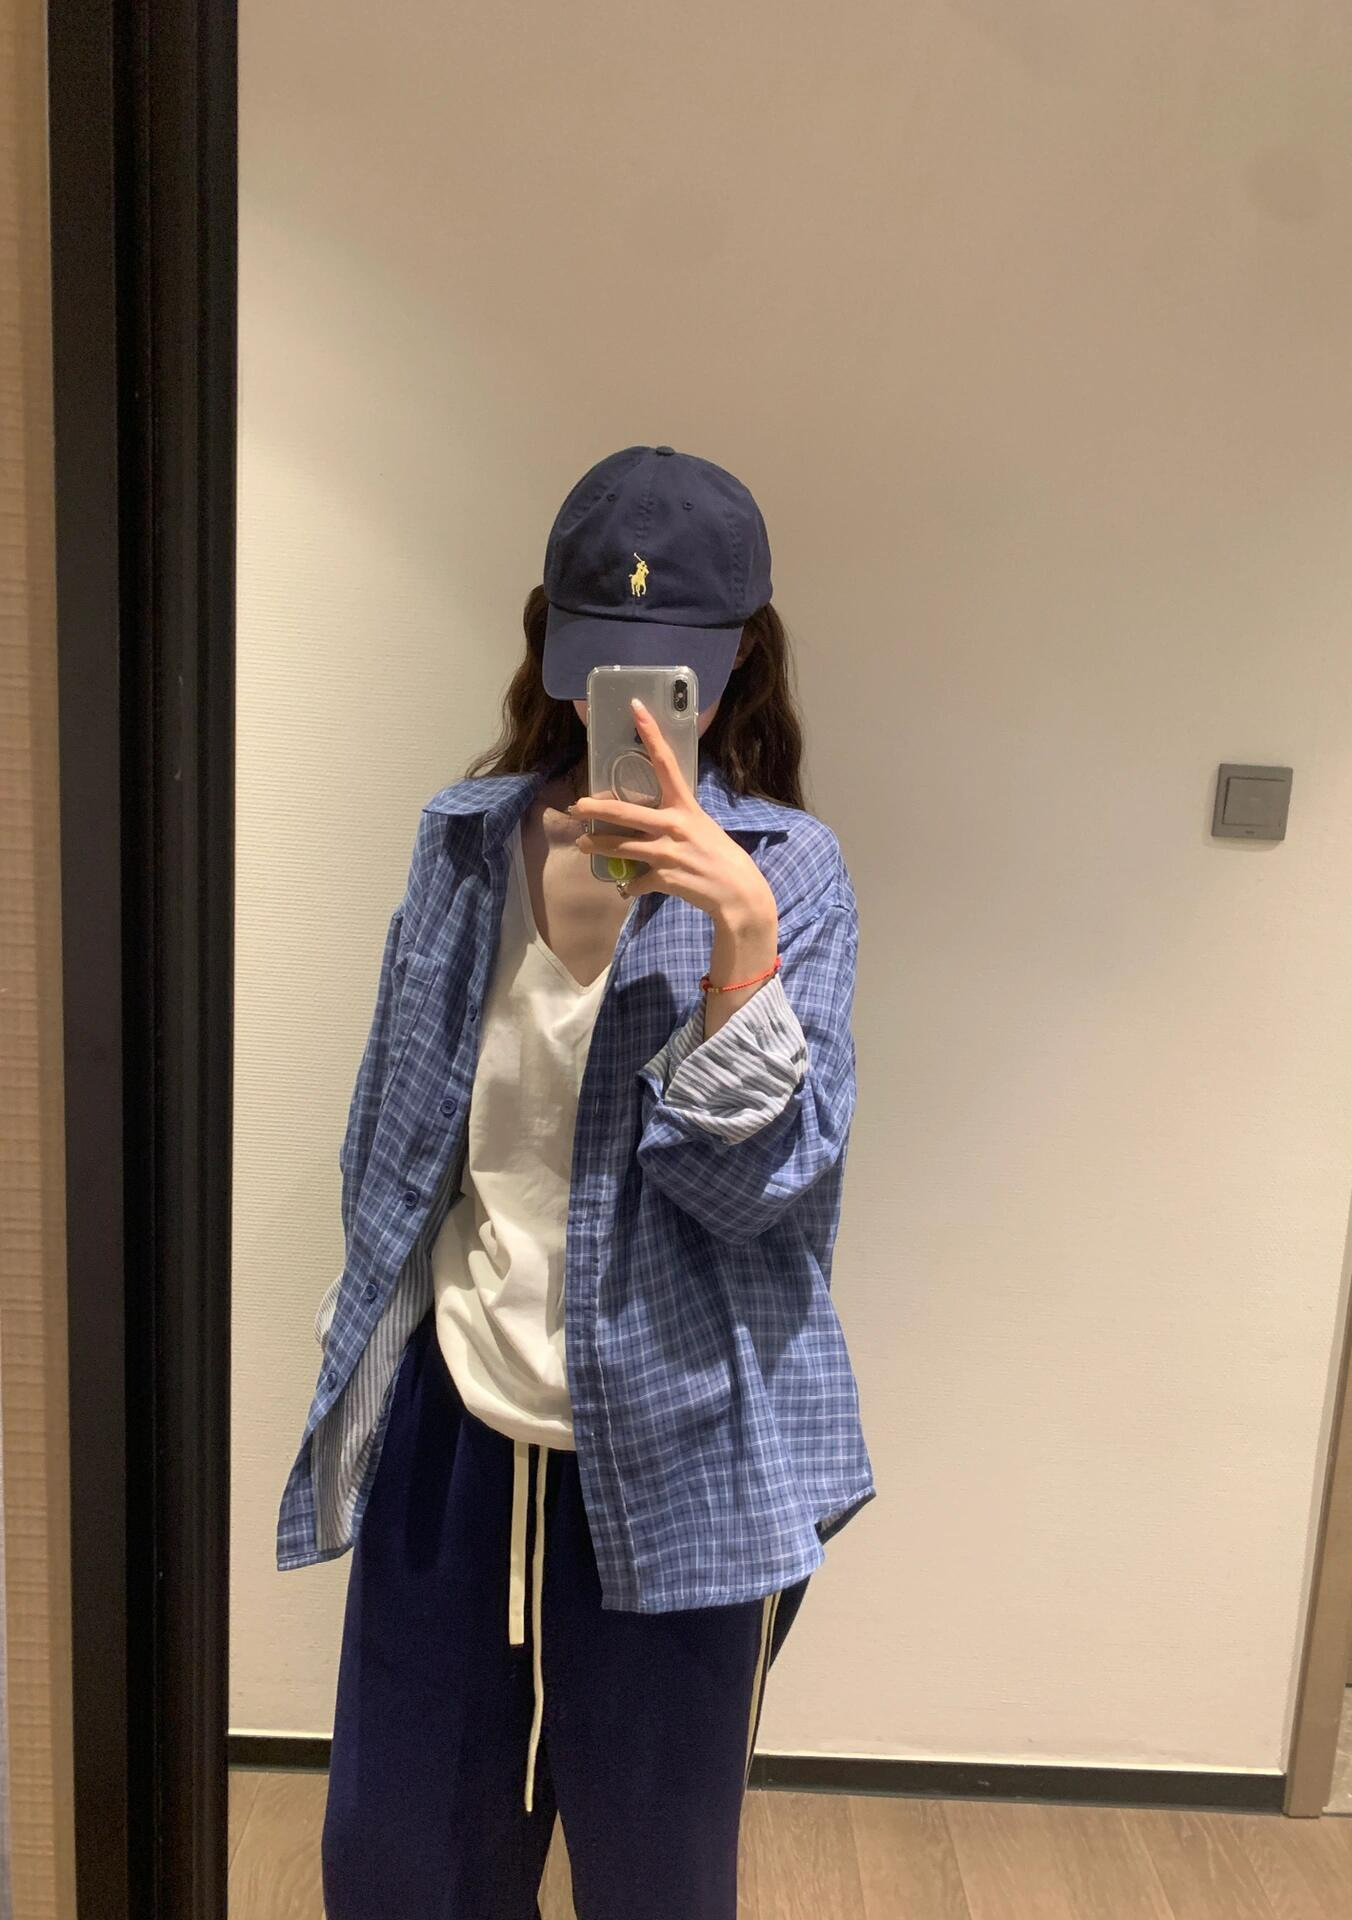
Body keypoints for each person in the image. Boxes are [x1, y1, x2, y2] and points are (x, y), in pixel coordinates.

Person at [277, 444, 876, 1920]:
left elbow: (762, 1198)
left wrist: (740, 948)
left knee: (655, 1885)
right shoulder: (464, 843)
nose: (639, 711)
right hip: (456, 1437)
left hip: (677, 1458)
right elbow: (391, 1141)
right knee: (400, 1871)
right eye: (606, 665)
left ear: (738, 664)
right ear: (552, 649)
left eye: (675, 675)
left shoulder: (788, 873)